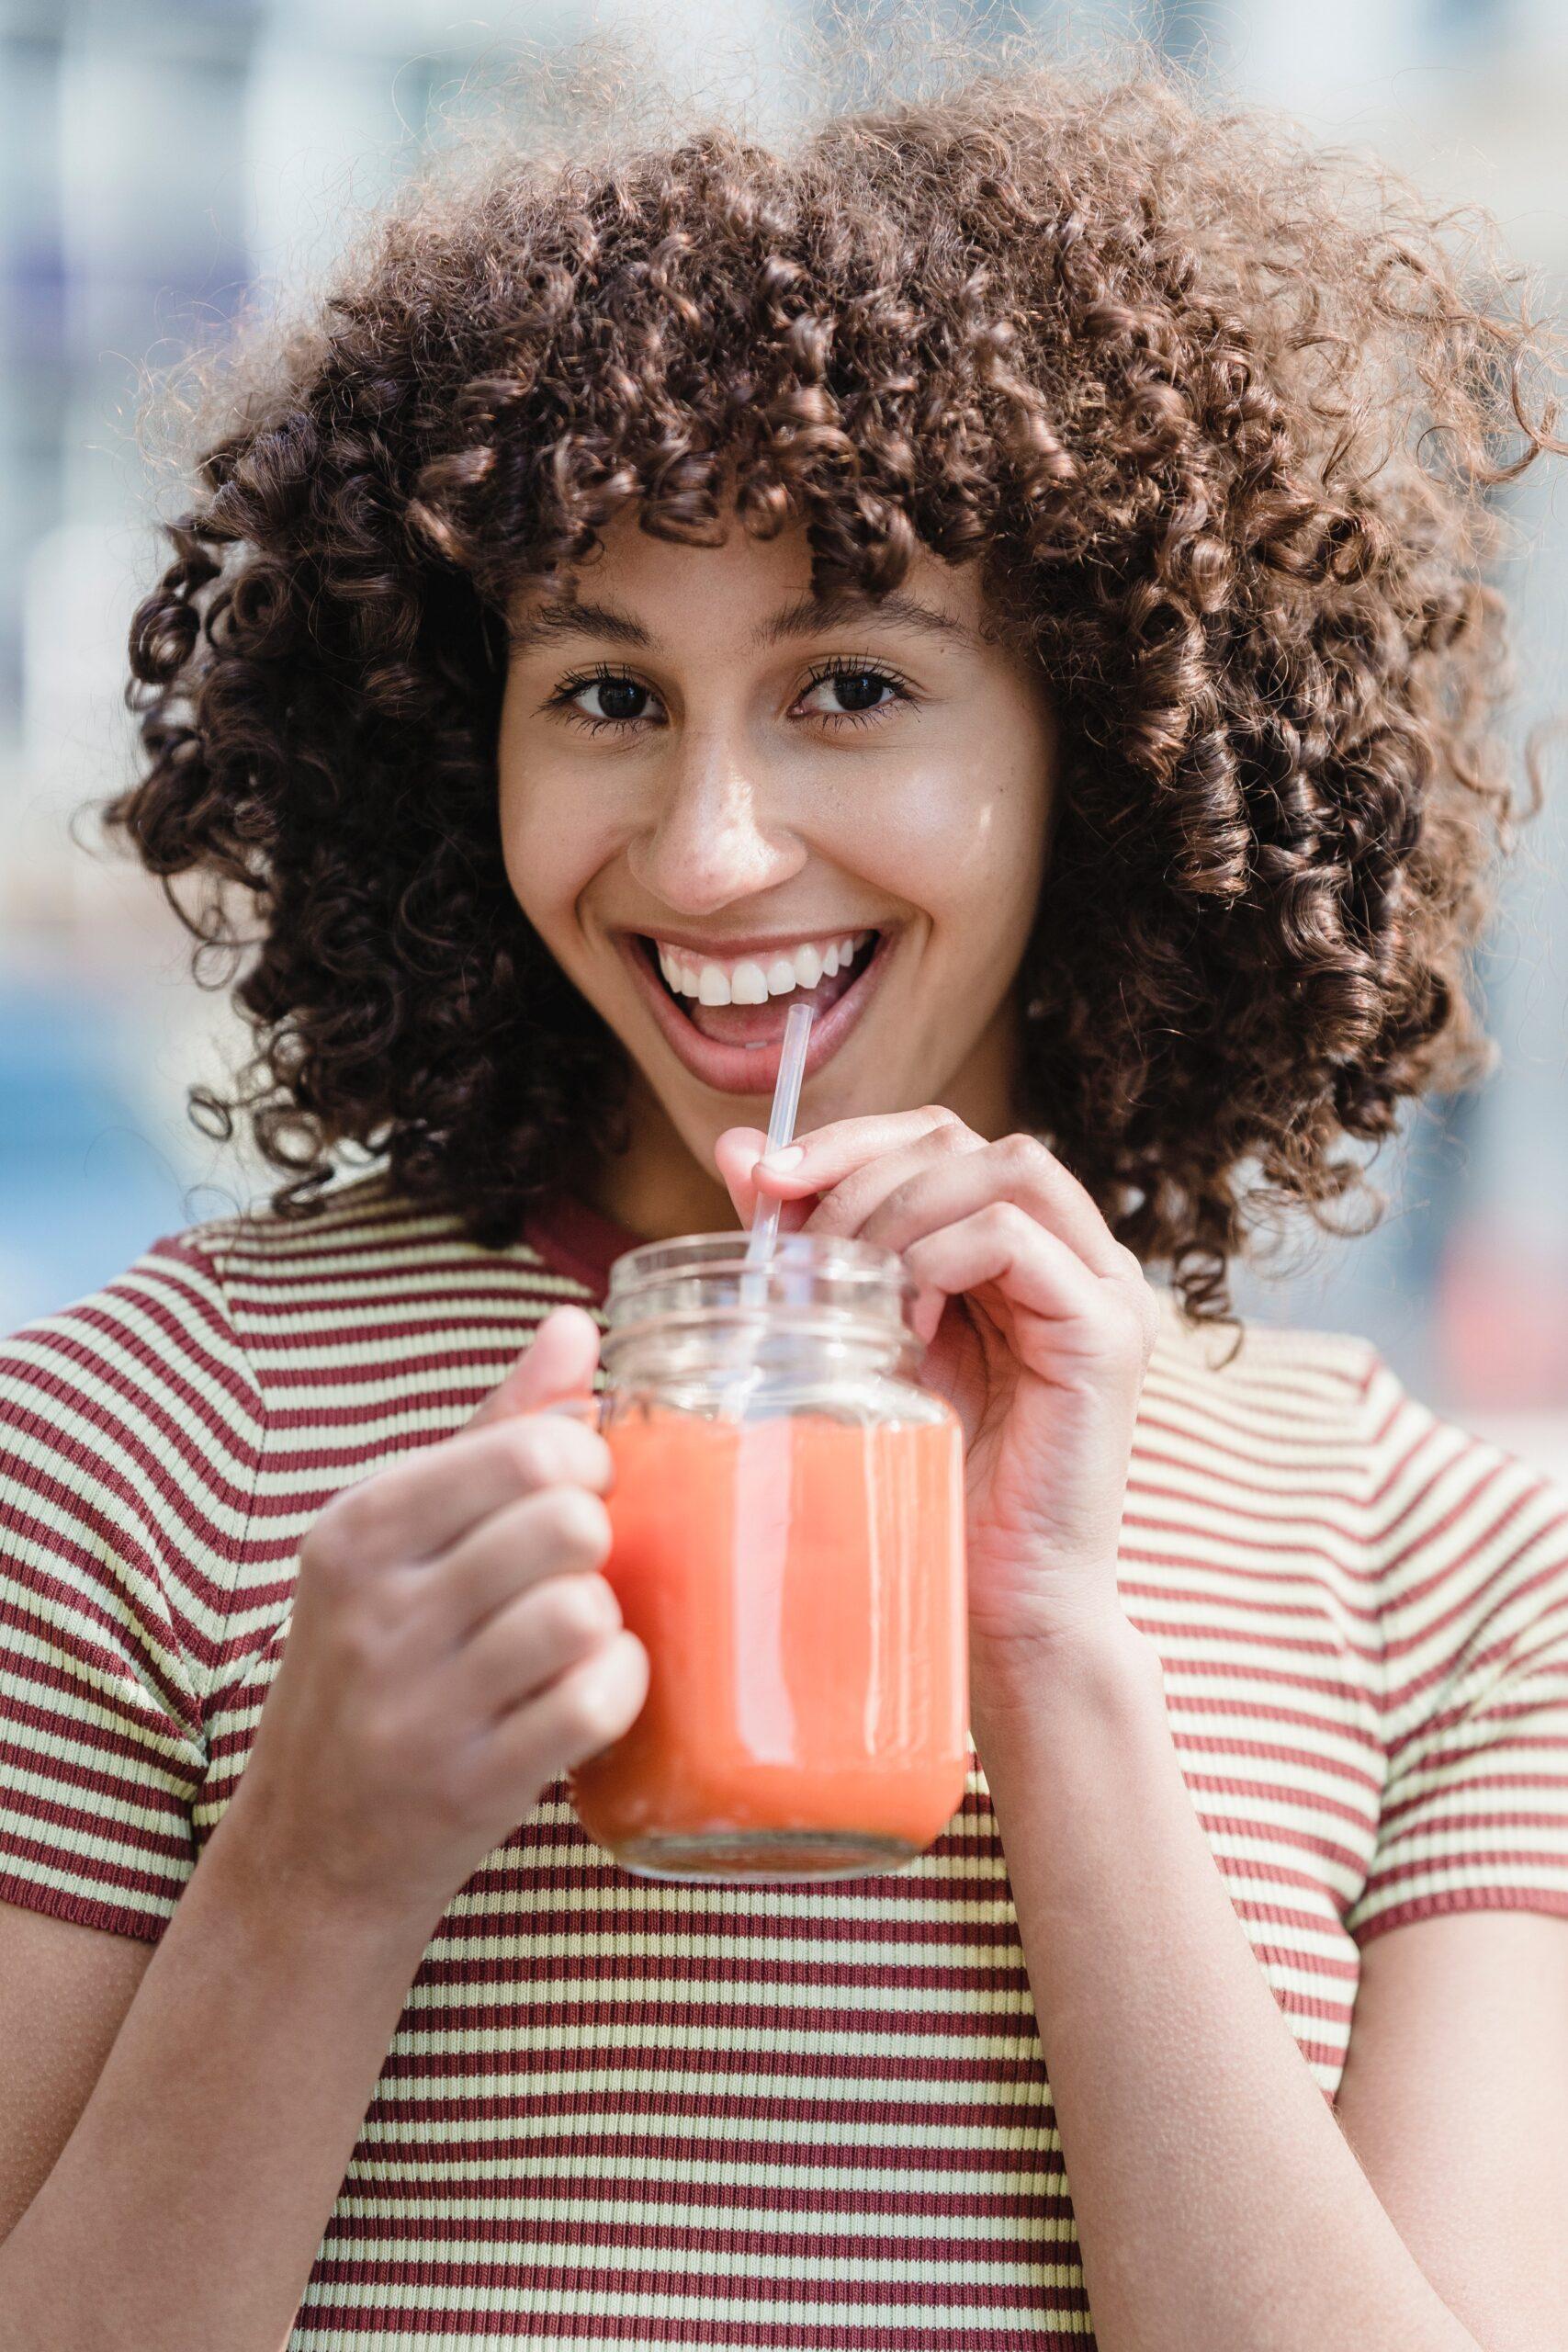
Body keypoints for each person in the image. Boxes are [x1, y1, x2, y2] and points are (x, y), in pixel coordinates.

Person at [1, 51, 1565, 2352]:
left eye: (848, 684)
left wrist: (1048, 1660)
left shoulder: (1433, 1565)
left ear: (1107, 749)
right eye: (605, 691)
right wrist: (316, 1871)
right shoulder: (159, 1427)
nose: (712, 848)